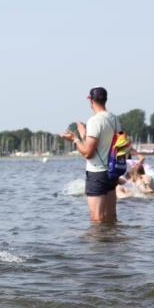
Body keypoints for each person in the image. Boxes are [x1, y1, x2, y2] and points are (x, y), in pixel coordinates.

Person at [61, 86, 122, 222]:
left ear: (91, 100)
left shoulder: (94, 121)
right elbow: (101, 143)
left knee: (97, 218)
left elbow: (88, 153)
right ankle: (114, 236)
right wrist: (83, 133)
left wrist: (75, 139)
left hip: (97, 173)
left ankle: (99, 237)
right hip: (112, 171)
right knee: (111, 216)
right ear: (105, 99)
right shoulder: (114, 119)